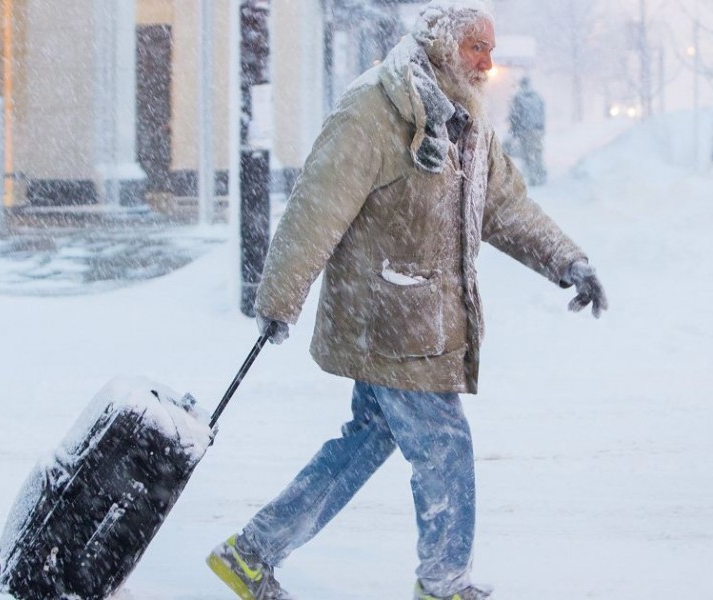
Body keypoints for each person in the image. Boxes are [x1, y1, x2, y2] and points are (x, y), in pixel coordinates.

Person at [206, 1, 608, 599]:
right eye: (477, 47)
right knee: (445, 447)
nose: (488, 62)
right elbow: (316, 207)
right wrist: (281, 296)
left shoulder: (467, 122)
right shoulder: (374, 109)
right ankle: (444, 584)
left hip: (425, 320)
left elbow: (506, 206)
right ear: (445, 46)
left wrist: (568, 260)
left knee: (367, 439)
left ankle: (251, 551)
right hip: (390, 318)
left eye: (490, 49)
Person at [508, 76, 547, 186]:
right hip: (538, 130)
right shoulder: (537, 97)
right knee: (538, 151)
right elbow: (542, 112)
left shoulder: (519, 97)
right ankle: (540, 173)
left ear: (521, 85)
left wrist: (514, 131)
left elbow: (515, 116)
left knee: (527, 154)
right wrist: (541, 128)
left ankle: (533, 177)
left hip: (525, 131)